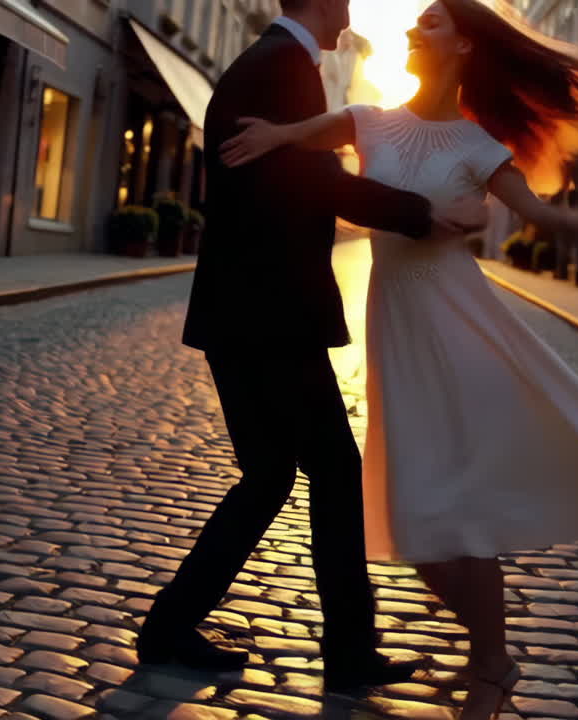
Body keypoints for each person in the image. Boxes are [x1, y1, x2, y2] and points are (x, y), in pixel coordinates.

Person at [217, 0, 578, 716]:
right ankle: (494, 658)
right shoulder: (369, 119)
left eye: (432, 21)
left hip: (457, 326)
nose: (414, 28)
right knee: (417, 520)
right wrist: (268, 136)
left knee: (457, 508)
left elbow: (547, 217)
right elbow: (302, 141)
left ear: (465, 46)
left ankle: (489, 667)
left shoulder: (479, 148)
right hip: (398, 333)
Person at [135, 0, 494, 696]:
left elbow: (300, 176)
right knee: (333, 471)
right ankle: (348, 653)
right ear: (326, 3)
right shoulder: (281, 67)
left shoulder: (272, 64)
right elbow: (313, 179)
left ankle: (171, 627)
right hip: (271, 314)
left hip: (248, 312)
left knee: (270, 476)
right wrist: (423, 213)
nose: (352, 12)